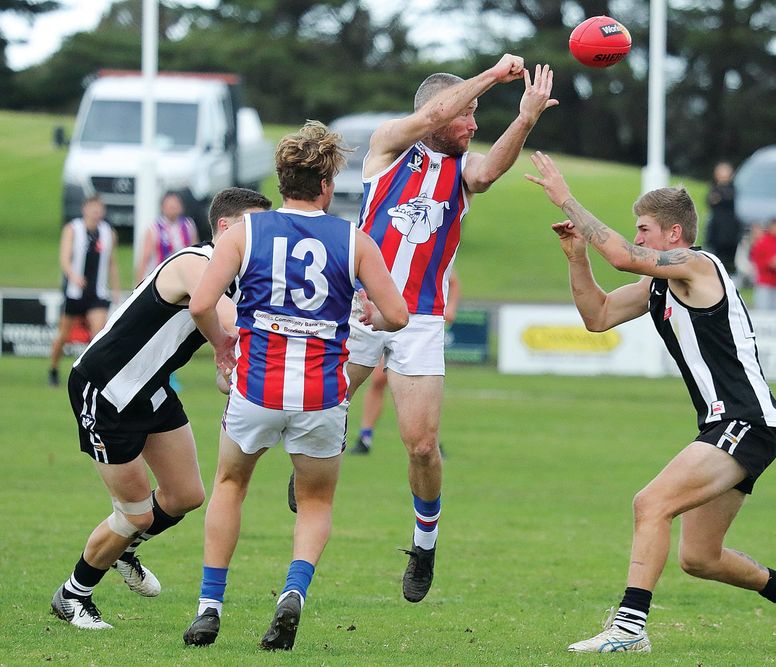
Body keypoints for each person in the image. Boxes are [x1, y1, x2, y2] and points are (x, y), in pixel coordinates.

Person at [525, 151, 776, 653]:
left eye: (644, 229)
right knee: (700, 558)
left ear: (673, 234)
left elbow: (622, 254)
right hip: (726, 426)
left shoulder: (696, 264)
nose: (638, 237)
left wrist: (566, 199)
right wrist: (577, 257)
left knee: (651, 503)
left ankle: (629, 630)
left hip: (744, 421)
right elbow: (597, 316)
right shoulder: (659, 284)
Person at [288, 54, 557, 605]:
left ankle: (424, 540)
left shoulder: (461, 173)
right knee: (320, 405)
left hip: (422, 320)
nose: (473, 124)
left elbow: (490, 169)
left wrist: (525, 115)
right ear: (442, 115)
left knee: (422, 446)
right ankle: (312, 464)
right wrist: (491, 76)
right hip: (360, 310)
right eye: (469, 115)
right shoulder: (388, 147)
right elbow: (438, 109)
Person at [184, 121, 408, 650]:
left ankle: (209, 606)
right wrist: (373, 316)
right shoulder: (355, 240)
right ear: (327, 184)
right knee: (313, 502)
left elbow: (199, 304)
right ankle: (293, 593)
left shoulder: (244, 232)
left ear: (281, 179)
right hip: (321, 396)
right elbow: (397, 314)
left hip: (256, 388)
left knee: (230, 485)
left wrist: (222, 343)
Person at [49, 187, 272, 630]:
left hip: (150, 389)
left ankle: (124, 549)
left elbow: (221, 329)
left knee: (186, 495)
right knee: (134, 513)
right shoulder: (196, 262)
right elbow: (232, 321)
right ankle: (73, 595)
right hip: (107, 388)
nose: (261, 237)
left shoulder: (234, 278)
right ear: (225, 228)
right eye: (255, 226)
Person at [349, 270, 462, 455]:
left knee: (420, 388)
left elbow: (454, 280)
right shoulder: (378, 249)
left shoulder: (428, 247)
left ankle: (431, 440)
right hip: (381, 317)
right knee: (378, 382)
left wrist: (450, 308)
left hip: (413, 322)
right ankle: (365, 436)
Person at [49, 196, 120, 387]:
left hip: (97, 293)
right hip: (75, 292)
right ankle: (53, 369)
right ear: (84, 209)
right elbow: (64, 258)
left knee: (98, 336)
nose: (96, 212)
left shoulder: (108, 233)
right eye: (92, 208)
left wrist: (116, 289)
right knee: (63, 335)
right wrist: (73, 276)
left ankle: (91, 376)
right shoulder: (73, 229)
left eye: (99, 208)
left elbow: (112, 263)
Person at [136, 192, 200, 282]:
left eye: (175, 205)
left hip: (183, 279)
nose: (173, 208)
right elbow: (145, 259)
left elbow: (196, 252)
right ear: (162, 207)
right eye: (170, 205)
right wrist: (138, 285)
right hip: (160, 279)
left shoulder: (188, 225)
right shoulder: (154, 229)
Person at [749, 218, 776, 310]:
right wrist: (770, 263)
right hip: (764, 282)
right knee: (762, 310)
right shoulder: (762, 242)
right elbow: (756, 261)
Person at [705, 161, 740, 275]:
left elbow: (725, 198)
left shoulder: (733, 189)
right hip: (717, 229)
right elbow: (711, 200)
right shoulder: (714, 187)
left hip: (730, 230)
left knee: (729, 256)